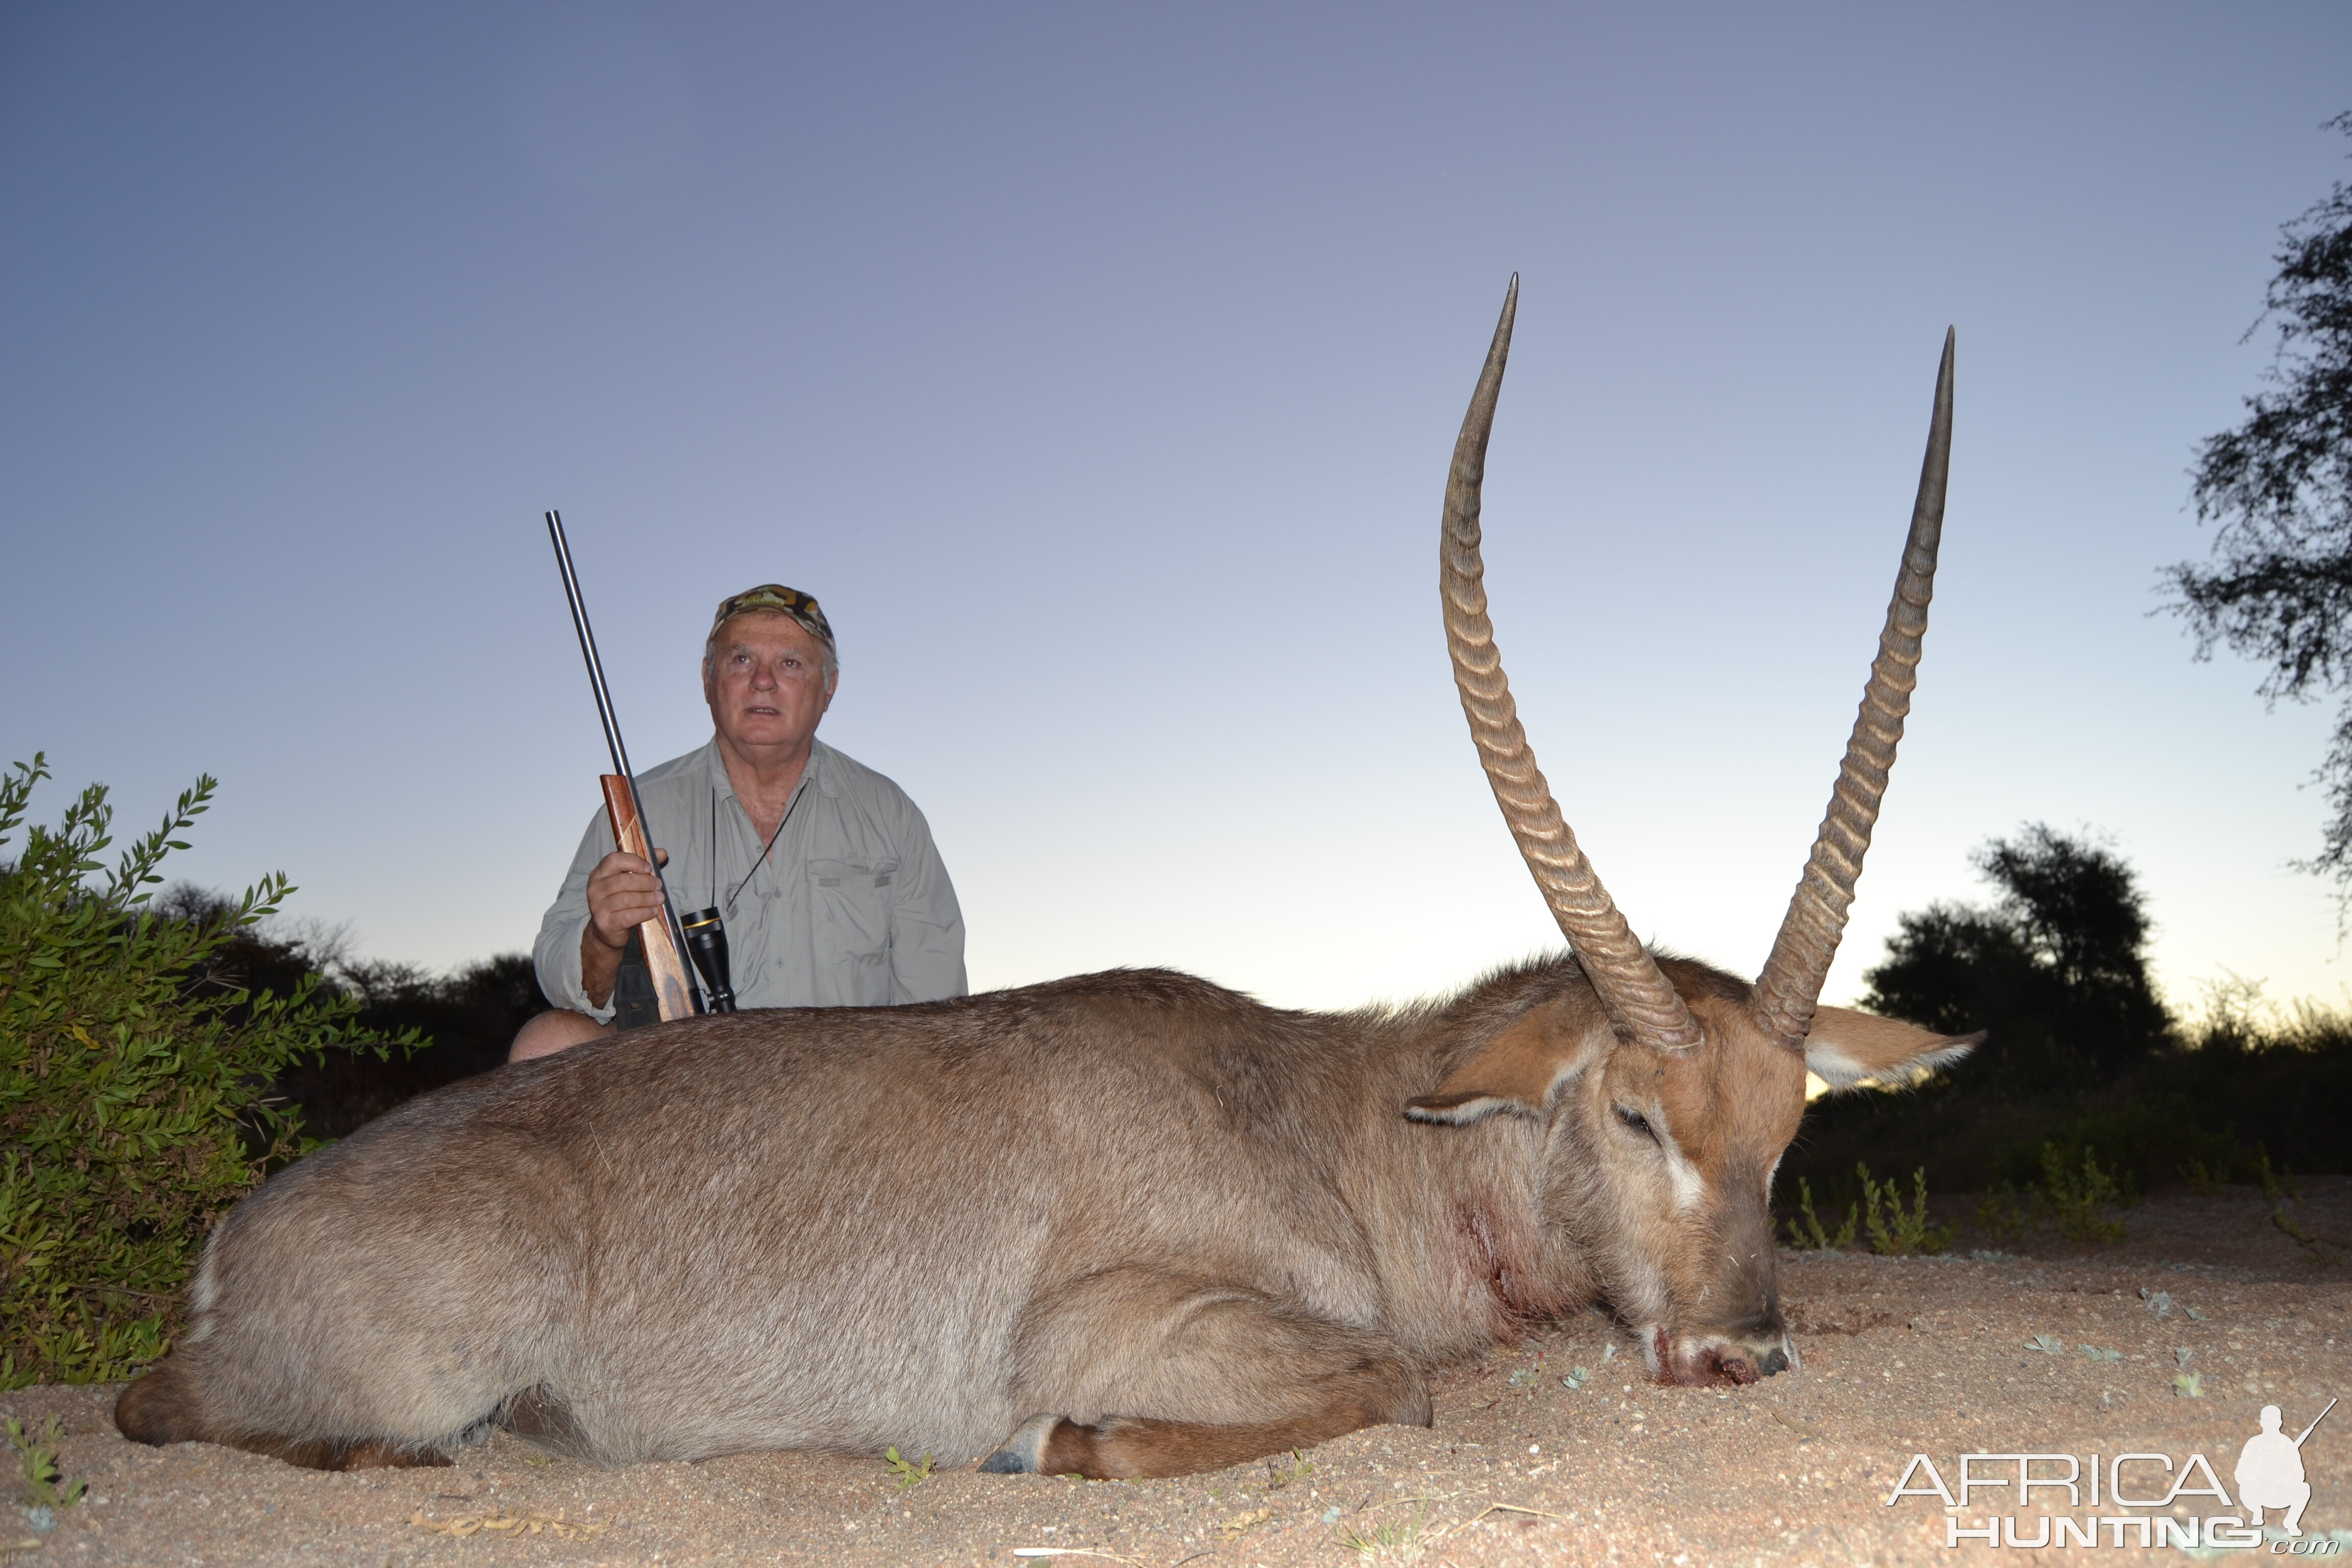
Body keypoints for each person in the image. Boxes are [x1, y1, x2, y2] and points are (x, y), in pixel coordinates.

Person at [513, 584, 966, 1060]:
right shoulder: (635, 813)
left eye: (790, 663)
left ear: (828, 688)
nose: (764, 682)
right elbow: (556, 975)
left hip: (844, 1096)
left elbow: (937, 1009)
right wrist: (602, 939)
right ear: (708, 679)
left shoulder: (890, 814)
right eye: (742, 660)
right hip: (687, 1082)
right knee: (546, 1044)